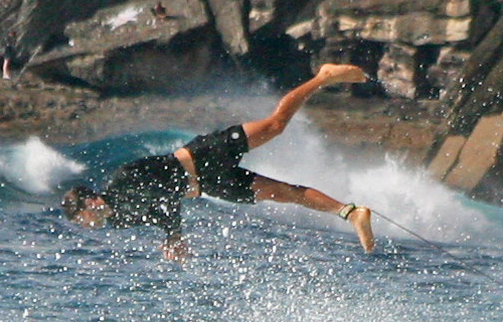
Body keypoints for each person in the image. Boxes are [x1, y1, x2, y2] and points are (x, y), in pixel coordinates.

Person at [61, 63, 376, 261]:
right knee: (284, 192)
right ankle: (350, 213)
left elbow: (166, 196)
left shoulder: (122, 180)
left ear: (89, 202)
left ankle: (322, 77)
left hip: (202, 156)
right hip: (210, 185)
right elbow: (159, 212)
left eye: (80, 218)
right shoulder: (119, 219)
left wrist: (174, 235)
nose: (85, 225)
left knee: (276, 125)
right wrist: (172, 237)